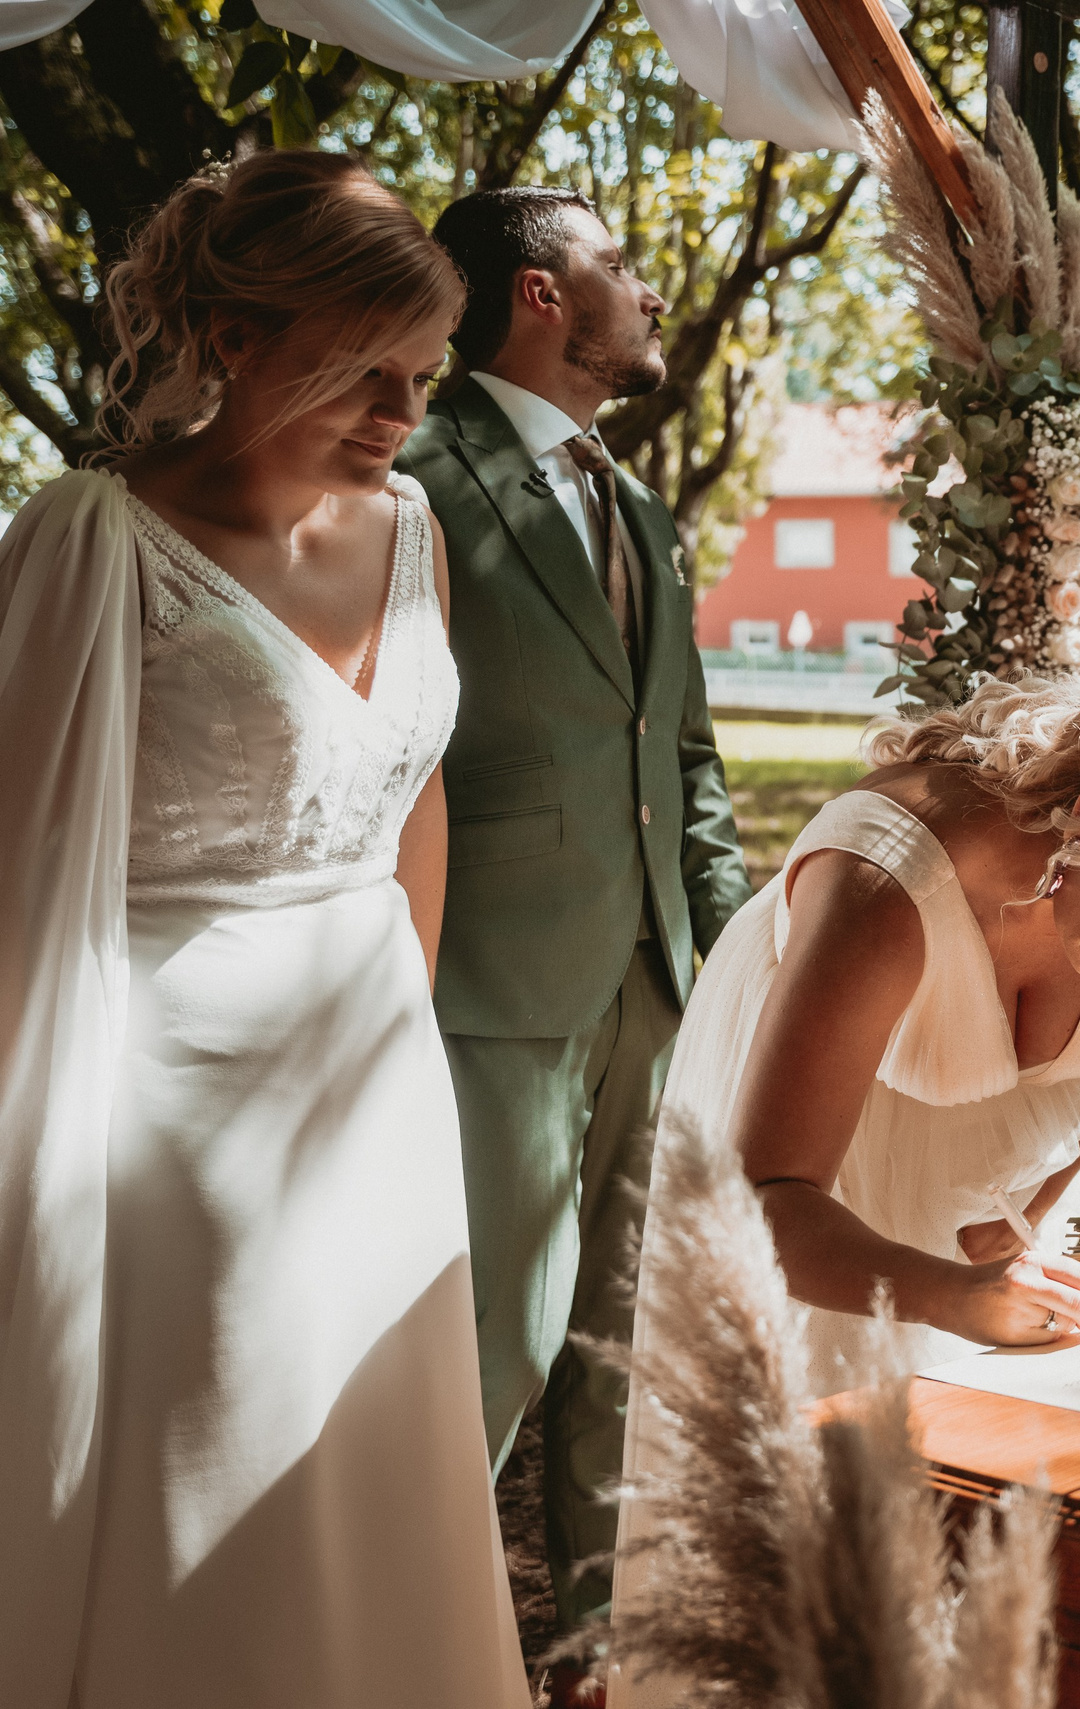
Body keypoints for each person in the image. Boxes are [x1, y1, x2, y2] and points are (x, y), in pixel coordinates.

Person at [0, 151, 521, 1705]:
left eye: (425, 377)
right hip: (171, 1099)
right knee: (216, 1457)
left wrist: (401, 1039)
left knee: (373, 1455)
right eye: (366, 370)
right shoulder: (91, 537)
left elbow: (416, 799)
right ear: (233, 341)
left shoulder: (416, 527)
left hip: (369, 1073)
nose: (402, 415)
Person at [606, 659, 1080, 1701]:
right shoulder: (884, 879)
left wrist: (1031, 1212)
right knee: (806, 1567)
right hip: (817, 1198)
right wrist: (945, 1290)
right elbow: (764, 1197)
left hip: (985, 1205)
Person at [395, 186, 754, 1681]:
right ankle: (407, 1652)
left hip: (658, 994)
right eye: (619, 262)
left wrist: (735, 974)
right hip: (485, 992)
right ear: (540, 293)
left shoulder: (644, 507)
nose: (651, 291)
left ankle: (605, 1665)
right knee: (478, 1360)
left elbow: (686, 762)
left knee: (621, 1362)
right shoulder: (410, 479)